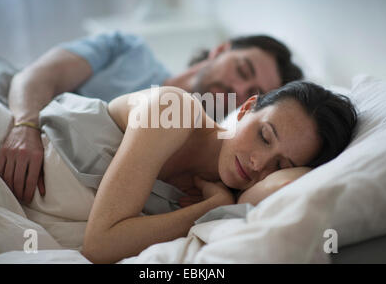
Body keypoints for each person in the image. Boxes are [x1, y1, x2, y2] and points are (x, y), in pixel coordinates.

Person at [0, 31, 303, 203]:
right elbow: (36, 75)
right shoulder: (129, 50)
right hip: (11, 106)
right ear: (220, 50)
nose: (235, 89)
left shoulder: (209, 163)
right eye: (241, 70)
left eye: (251, 90)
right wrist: (25, 125)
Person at [79, 80, 357, 263]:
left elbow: (288, 187)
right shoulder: (174, 109)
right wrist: (212, 207)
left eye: (280, 165)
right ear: (246, 108)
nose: (258, 164)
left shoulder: (236, 191)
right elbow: (99, 246)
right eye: (264, 136)